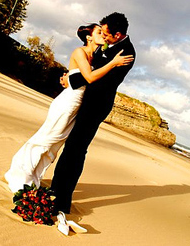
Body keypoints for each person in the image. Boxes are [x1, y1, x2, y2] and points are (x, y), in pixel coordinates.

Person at [4, 23, 134, 193]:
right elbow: (89, 76)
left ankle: (34, 178)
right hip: (68, 103)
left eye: (104, 33)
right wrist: (113, 63)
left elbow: (83, 79)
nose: (103, 35)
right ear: (89, 37)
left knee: (56, 144)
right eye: (99, 32)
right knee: (48, 138)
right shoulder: (80, 52)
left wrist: (70, 79)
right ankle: (20, 176)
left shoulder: (96, 56)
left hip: (79, 106)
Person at [51, 12, 136, 214]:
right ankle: (55, 188)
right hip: (83, 98)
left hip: (96, 104)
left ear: (117, 35)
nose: (103, 37)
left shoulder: (126, 53)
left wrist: (75, 81)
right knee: (70, 146)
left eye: (106, 34)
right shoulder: (109, 44)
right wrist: (70, 78)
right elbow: (89, 68)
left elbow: (102, 80)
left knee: (77, 148)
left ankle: (62, 200)